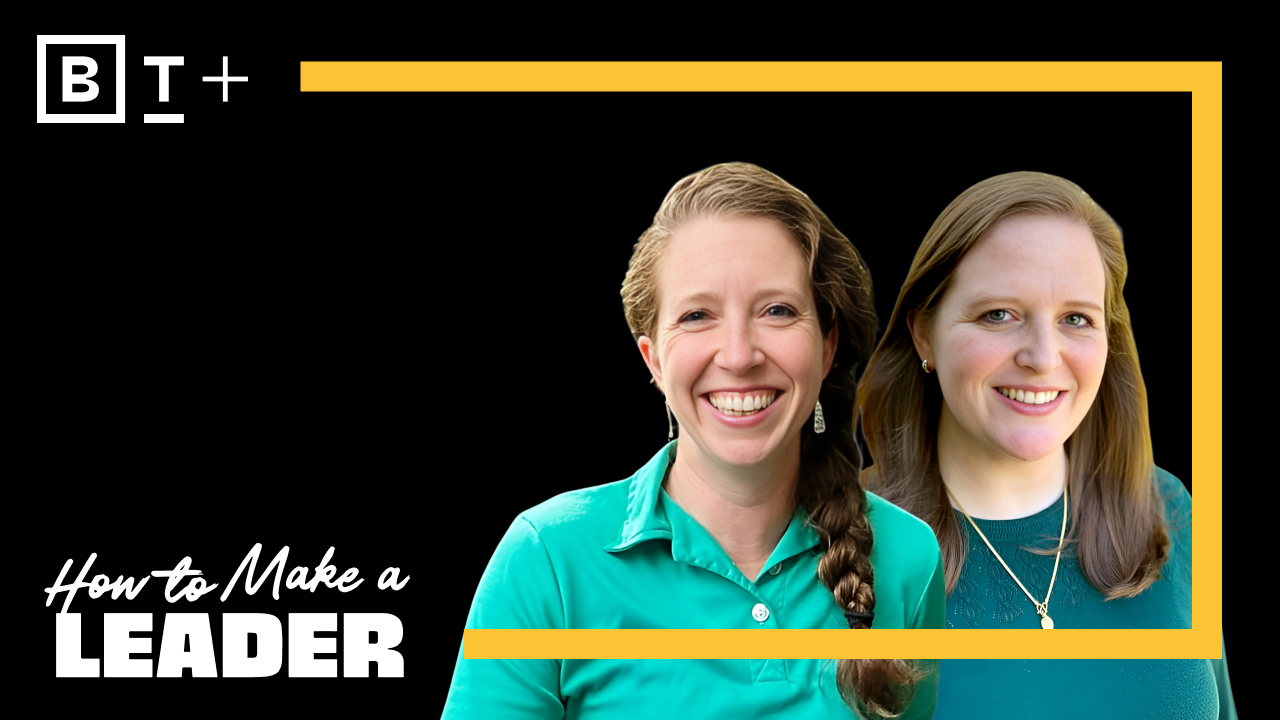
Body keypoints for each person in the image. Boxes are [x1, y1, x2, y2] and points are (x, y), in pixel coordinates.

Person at [442, 163, 945, 719]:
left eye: (777, 310)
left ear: (827, 348)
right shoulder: (548, 558)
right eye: (697, 315)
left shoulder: (907, 557)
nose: (739, 355)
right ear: (653, 360)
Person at [856, 171, 1235, 718]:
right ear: (923, 333)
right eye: (998, 315)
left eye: (1076, 319)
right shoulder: (836, 549)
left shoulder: (1168, 510)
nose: (1043, 356)